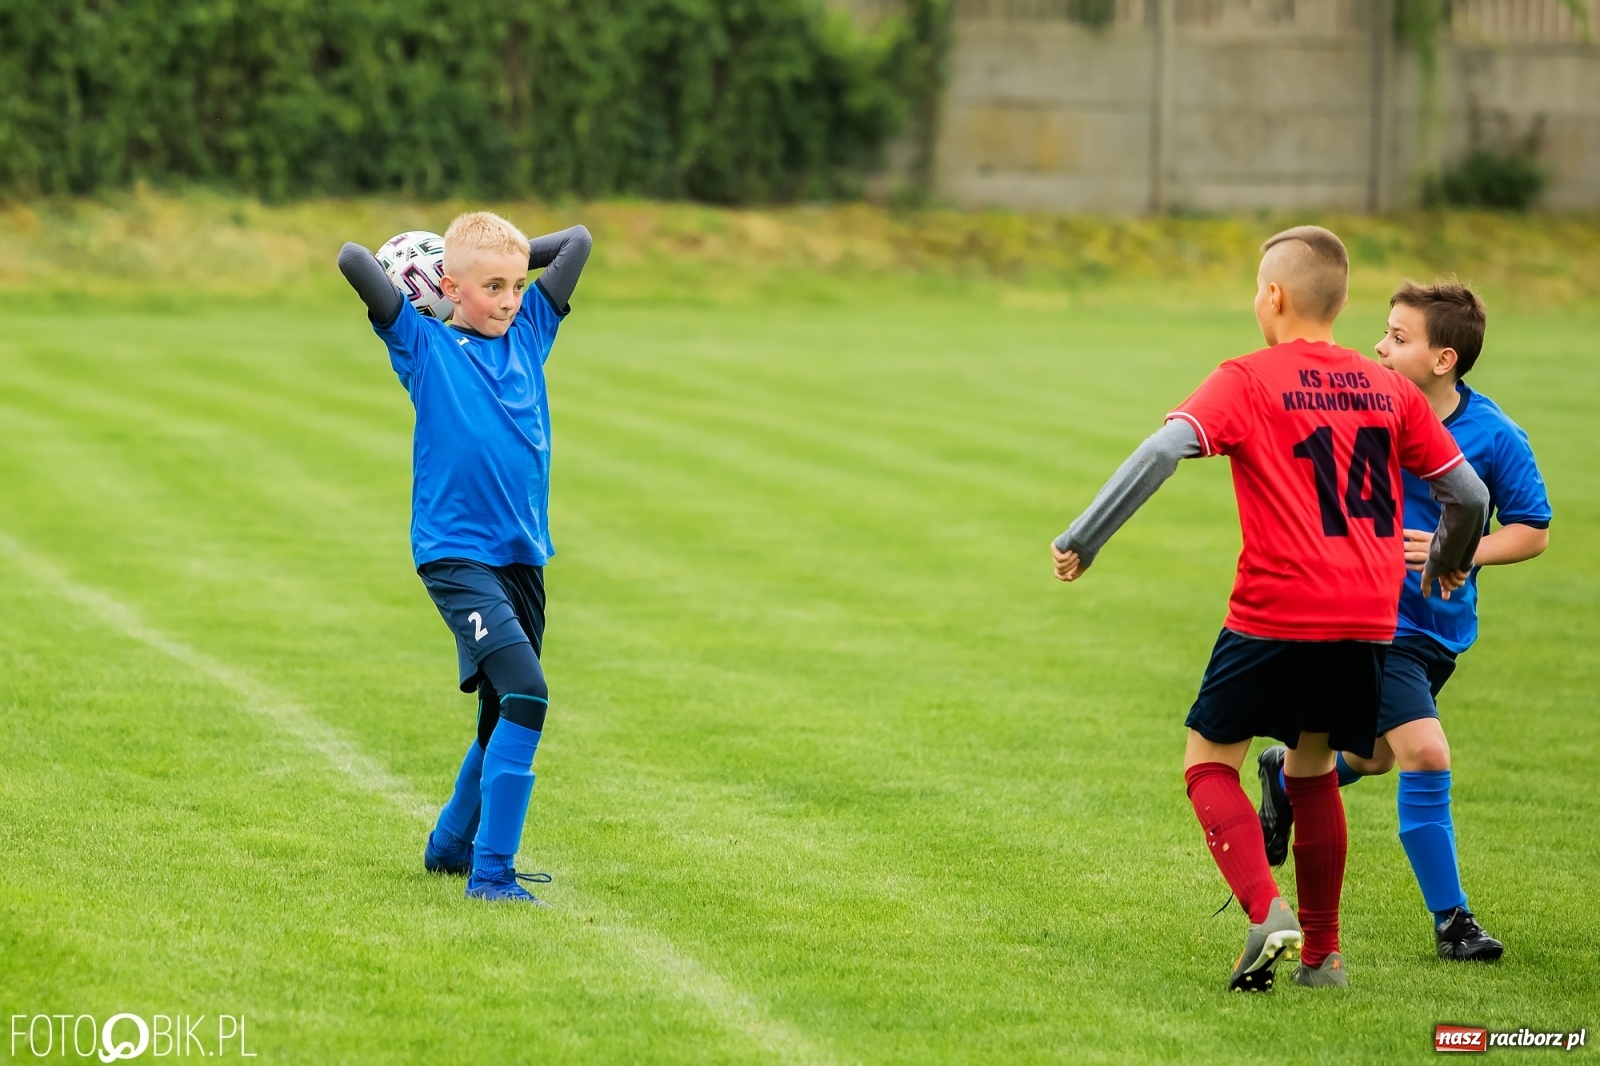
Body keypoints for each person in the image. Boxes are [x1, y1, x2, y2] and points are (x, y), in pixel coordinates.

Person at [1050, 226, 1490, 991]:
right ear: (1341, 303)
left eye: (1258, 288)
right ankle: (1324, 958)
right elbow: (1471, 495)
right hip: (1366, 614)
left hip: (1277, 606)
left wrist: (1083, 537)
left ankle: (1266, 910)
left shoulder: (1248, 378)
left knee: (1207, 760)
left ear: (1275, 296)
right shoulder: (1388, 388)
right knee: (1311, 765)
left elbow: (1161, 451)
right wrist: (1450, 561)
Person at [1257, 280, 1550, 962]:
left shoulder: (1495, 435)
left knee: (1373, 756)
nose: (1380, 347)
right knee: (1426, 752)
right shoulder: (1363, 412)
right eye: (1384, 332)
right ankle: (1453, 922)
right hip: (1370, 620)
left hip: (1438, 629)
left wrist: (1462, 551)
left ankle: (1286, 775)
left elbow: (1532, 529)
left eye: (1398, 337)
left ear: (1444, 359)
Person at [338, 212, 592, 904]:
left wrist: (499, 259)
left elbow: (577, 241)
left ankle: (450, 844)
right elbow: (354, 257)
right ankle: (492, 873)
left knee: (498, 711)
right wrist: (438, 275)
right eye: (492, 288)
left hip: (522, 557)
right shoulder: (423, 345)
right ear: (449, 288)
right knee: (528, 693)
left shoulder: (530, 332)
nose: (510, 300)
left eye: (517, 286)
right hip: (456, 556)